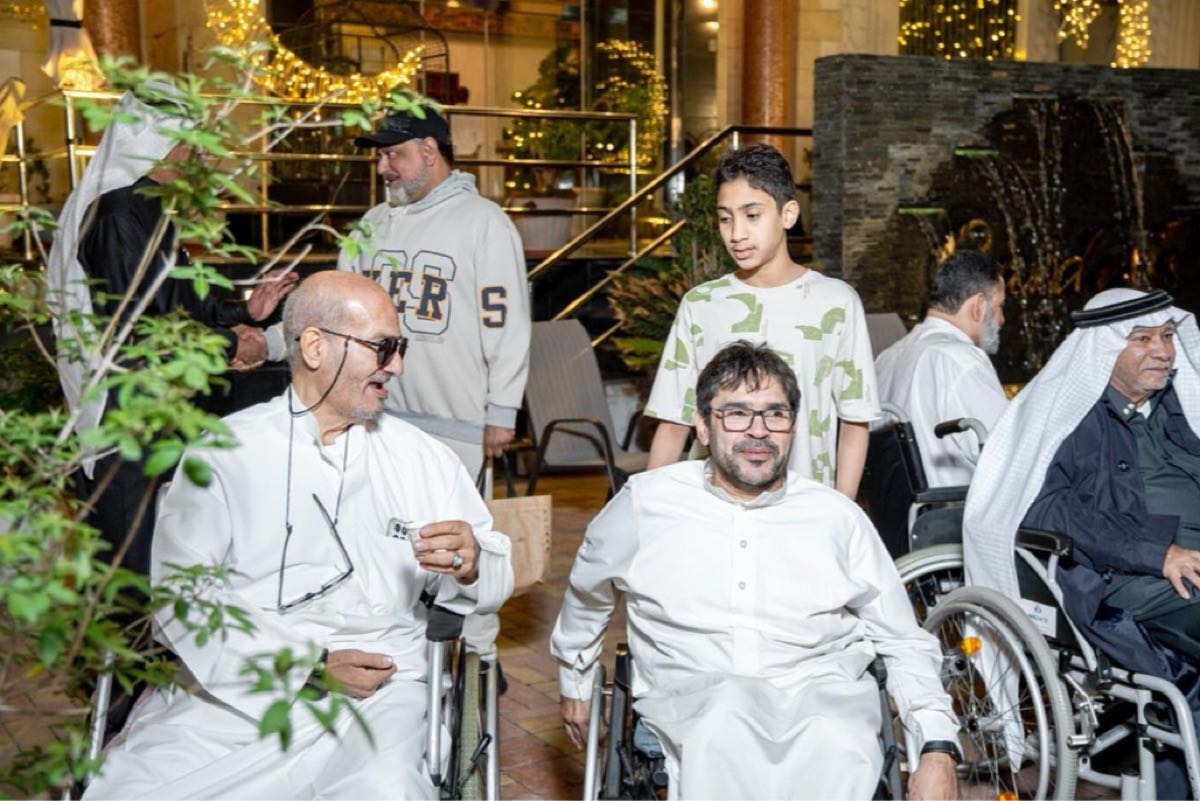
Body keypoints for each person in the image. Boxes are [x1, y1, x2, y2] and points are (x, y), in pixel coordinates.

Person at [83, 271, 514, 799]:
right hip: (237, 692)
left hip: (379, 696)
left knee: (383, 789)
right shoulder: (225, 453)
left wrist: (472, 562)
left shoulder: (420, 457)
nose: (397, 367)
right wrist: (307, 666)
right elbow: (182, 601)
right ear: (314, 346)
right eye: (383, 348)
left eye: (399, 349)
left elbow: (493, 572)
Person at [552, 341, 959, 800]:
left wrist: (937, 746)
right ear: (703, 426)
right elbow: (587, 594)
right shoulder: (646, 505)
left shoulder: (836, 518)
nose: (758, 431)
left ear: (793, 427)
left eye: (775, 414)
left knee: (840, 746)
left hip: (824, 705)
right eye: (737, 413)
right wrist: (576, 680)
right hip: (698, 701)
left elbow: (901, 638)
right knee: (723, 725)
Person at [46, 89, 296, 576]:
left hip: (152, 397)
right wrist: (234, 344)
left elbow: (176, 299)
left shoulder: (143, 205)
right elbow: (138, 332)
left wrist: (244, 310)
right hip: (121, 408)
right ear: (158, 144)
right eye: (188, 143)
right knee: (129, 552)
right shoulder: (116, 212)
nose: (195, 155)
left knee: (159, 540)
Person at [964, 287, 1200, 796]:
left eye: (1166, 336)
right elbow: (1048, 509)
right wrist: (1157, 553)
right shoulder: (1068, 419)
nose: (1162, 351)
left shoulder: (1179, 404)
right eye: (1142, 339)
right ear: (1105, 348)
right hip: (1132, 581)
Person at [643, 144, 879, 497]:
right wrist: (645, 507)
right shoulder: (702, 304)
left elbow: (855, 419)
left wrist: (843, 509)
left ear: (788, 214)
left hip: (804, 501)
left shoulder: (836, 302)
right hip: (714, 504)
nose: (736, 233)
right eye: (725, 218)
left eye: (752, 215)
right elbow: (674, 422)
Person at [339, 106, 531, 482]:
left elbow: (506, 327)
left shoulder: (485, 223)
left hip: (456, 429)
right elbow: (339, 308)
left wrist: (503, 409)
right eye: (379, 156)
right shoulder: (371, 224)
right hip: (376, 419)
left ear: (429, 151)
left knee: (450, 521)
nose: (382, 167)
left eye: (392, 154)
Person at [875, 249, 1009, 487]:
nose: (1001, 319)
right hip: (956, 507)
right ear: (978, 306)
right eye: (999, 307)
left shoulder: (885, 359)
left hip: (901, 510)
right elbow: (1006, 453)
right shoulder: (959, 359)